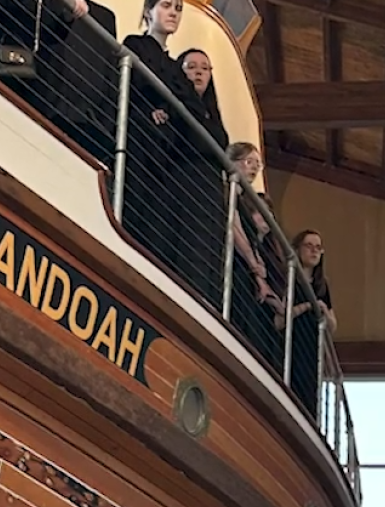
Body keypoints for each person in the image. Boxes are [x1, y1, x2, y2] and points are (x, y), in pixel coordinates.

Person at [119, 0, 205, 274]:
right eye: (167, 6)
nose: (173, 13)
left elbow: (194, 106)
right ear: (148, 12)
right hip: (139, 139)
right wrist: (155, 106)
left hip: (165, 154)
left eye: (178, 9)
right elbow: (134, 83)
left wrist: (167, 108)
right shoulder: (136, 44)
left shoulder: (174, 66)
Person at [173, 47, 230, 305]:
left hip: (210, 190)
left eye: (205, 68)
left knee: (210, 251)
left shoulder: (213, 114)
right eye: (192, 66)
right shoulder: (176, 103)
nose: (198, 72)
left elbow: (219, 147)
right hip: (186, 182)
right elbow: (195, 142)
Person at [223, 142, 282, 371]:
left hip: (246, 270)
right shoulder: (230, 189)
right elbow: (234, 229)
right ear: (234, 161)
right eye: (250, 162)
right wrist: (253, 262)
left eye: (258, 164)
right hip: (237, 267)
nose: (255, 168)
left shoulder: (242, 197)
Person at [46, 0, 119, 165]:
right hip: (53, 109)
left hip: (91, 120)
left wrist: (106, 125)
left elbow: (110, 72)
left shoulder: (106, 17)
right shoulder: (52, 4)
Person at [274, 230, 332, 417]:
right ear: (298, 249)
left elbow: (333, 326)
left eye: (318, 247)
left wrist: (324, 313)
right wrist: (307, 306)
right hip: (289, 346)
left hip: (311, 350)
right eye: (309, 246)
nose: (314, 251)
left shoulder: (322, 286)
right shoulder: (287, 278)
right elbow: (278, 321)